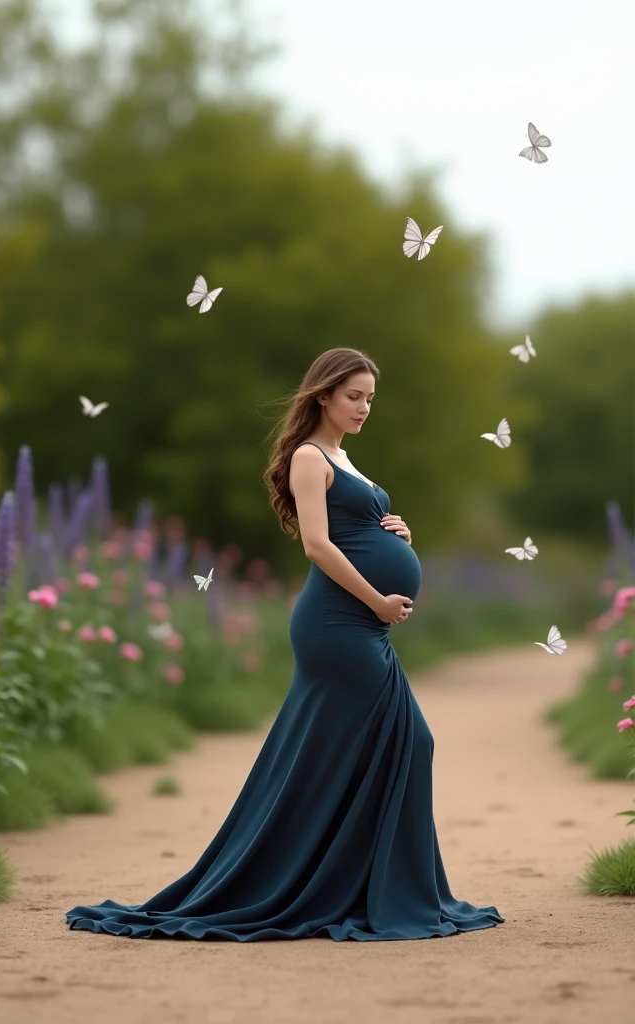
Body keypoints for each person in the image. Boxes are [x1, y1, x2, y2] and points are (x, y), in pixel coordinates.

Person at [65, 347, 505, 941]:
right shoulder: (308, 457)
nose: (364, 407)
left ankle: (359, 884)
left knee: (363, 749)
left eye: (370, 398)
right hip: (337, 624)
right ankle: (343, 886)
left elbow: (356, 531)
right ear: (322, 394)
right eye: (354, 395)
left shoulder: (345, 461)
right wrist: (378, 598)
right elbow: (319, 546)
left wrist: (400, 534)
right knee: (403, 742)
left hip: (361, 625)